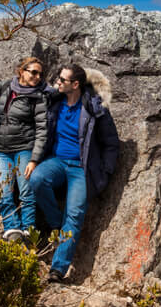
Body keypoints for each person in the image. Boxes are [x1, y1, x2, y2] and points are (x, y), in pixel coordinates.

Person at [30, 64, 119, 282]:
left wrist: (105, 171)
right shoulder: (55, 101)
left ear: (75, 84)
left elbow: (111, 143)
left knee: (76, 215)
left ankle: (58, 269)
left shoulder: (94, 108)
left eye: (62, 80)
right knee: (36, 179)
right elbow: (27, 88)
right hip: (57, 161)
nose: (57, 82)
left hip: (82, 168)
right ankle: (57, 224)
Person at [0, 57, 49, 241]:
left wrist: (34, 159)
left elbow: (42, 130)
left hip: (25, 149)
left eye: (40, 74)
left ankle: (29, 231)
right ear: (22, 71)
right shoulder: (8, 86)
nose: (37, 77)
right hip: (2, 150)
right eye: (33, 72)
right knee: (3, 191)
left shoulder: (38, 98)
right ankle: (12, 230)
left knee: (26, 192)